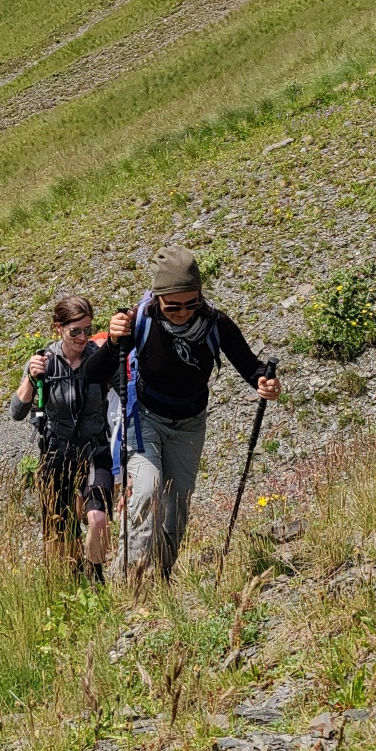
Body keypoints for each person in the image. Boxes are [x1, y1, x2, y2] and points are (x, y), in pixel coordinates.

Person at [80, 244, 280, 581]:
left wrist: (265, 383)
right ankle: (129, 580)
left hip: (190, 425)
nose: (183, 312)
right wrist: (114, 342)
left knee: (176, 508)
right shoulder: (137, 321)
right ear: (158, 298)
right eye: (173, 306)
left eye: (192, 304)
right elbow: (91, 374)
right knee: (146, 491)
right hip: (144, 419)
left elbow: (250, 366)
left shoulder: (216, 323)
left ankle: (161, 575)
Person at [9, 295, 115, 578]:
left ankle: (96, 576)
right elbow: (17, 412)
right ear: (58, 327)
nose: (83, 337)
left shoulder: (98, 358)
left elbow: (127, 394)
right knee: (61, 539)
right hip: (57, 455)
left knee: (98, 519)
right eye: (75, 331)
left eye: (88, 330)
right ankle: (75, 577)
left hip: (96, 450)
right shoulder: (45, 362)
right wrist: (31, 379)